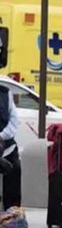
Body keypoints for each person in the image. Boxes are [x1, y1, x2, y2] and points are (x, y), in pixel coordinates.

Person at [0, 83, 20, 211]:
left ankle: (11, 212)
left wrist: (1, 136)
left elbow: (14, 121)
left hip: (5, 144)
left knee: (15, 168)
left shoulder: (5, 93)